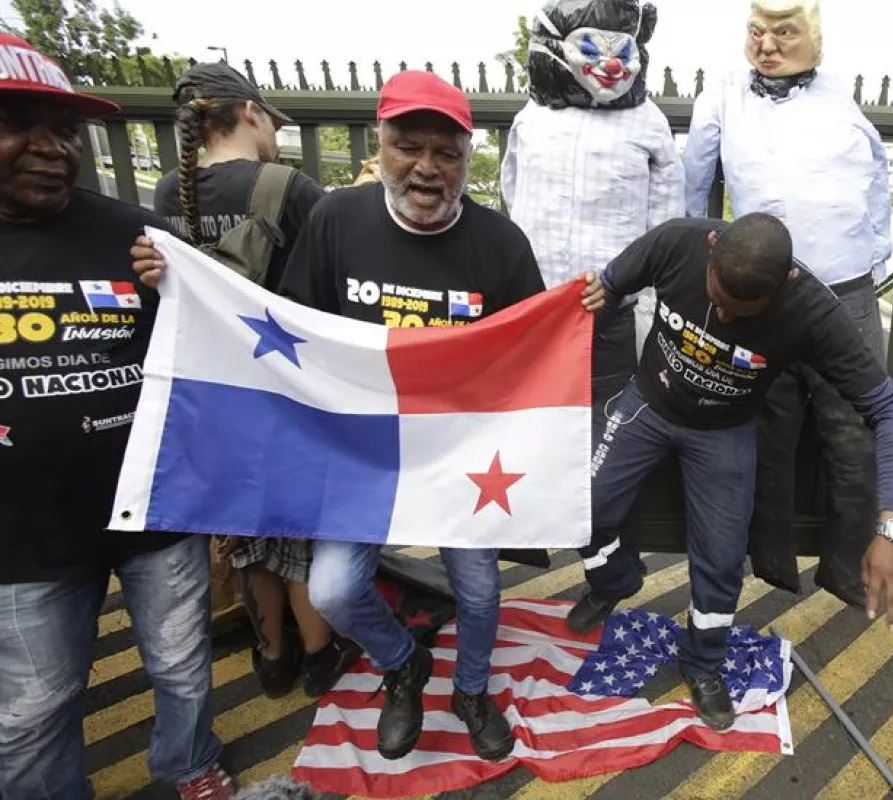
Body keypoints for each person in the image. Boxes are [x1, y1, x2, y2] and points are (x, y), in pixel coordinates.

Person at [133, 69, 600, 764]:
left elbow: (531, 350)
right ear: (380, 145)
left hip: (457, 452)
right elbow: (286, 329)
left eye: (446, 153)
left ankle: (471, 690)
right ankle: (401, 665)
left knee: (478, 589)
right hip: (358, 450)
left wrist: (573, 311)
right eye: (409, 146)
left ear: (469, 157)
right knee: (335, 587)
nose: (427, 167)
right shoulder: (335, 219)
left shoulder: (501, 244)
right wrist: (180, 280)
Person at [566, 212, 893, 731]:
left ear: (787, 281)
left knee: (723, 560)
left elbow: (888, 408)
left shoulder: (813, 311)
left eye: (743, 311)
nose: (724, 319)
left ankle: (703, 660)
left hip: (723, 431)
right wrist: (593, 295)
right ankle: (615, 581)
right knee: (584, 509)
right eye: (717, 300)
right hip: (650, 402)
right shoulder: (676, 242)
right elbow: (608, 291)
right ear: (711, 248)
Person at [0, 33, 233, 800]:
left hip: (155, 509)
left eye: (63, 131)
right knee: (35, 706)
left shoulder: (137, 238)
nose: (48, 149)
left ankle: (190, 763)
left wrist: (180, 289)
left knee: (180, 664)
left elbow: (217, 347)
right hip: (21, 537)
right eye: (17, 124)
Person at [151, 60, 359, 701]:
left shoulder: (167, 193)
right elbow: (336, 278)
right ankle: (321, 655)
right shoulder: (287, 186)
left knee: (246, 532)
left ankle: (272, 658)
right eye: (270, 119)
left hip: (215, 390)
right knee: (300, 529)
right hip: (290, 389)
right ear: (250, 113)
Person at [682, 0, 893, 608]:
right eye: (756, 32)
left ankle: (846, 567)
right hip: (768, 292)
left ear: (814, 40)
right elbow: (695, 188)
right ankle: (769, 557)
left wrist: (875, 260)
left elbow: (875, 178)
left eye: (784, 32)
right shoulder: (721, 95)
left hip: (848, 287)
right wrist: (706, 268)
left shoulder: (840, 96)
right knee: (766, 429)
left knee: (854, 433)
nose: (767, 45)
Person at [501, 0, 684, 422]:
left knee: (607, 429)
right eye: (591, 48)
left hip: (611, 318)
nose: (610, 65)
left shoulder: (649, 123)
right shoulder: (532, 117)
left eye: (621, 53)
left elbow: (666, 221)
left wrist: (642, 302)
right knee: (536, 423)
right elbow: (512, 190)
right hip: (536, 309)